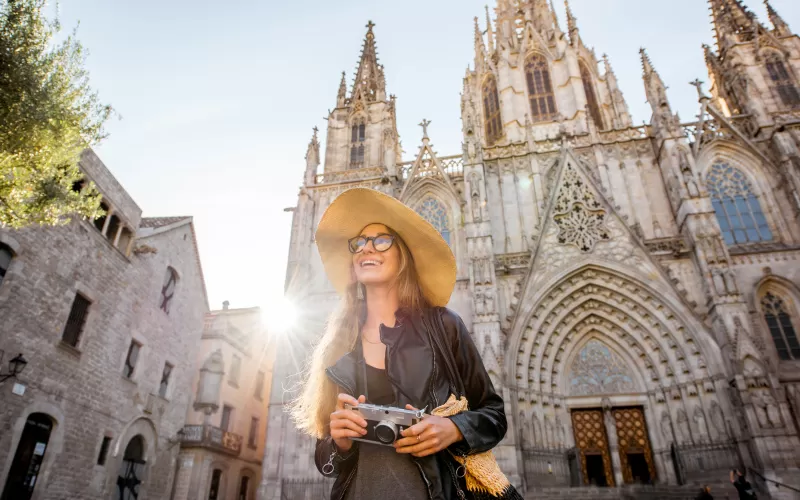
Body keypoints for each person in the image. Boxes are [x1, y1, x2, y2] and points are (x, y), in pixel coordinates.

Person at [291, 188, 511, 500]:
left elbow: (494, 415)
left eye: (381, 240)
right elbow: (325, 456)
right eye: (359, 243)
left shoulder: (443, 325)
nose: (367, 247)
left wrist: (453, 429)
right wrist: (338, 441)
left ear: (402, 255)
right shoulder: (340, 344)